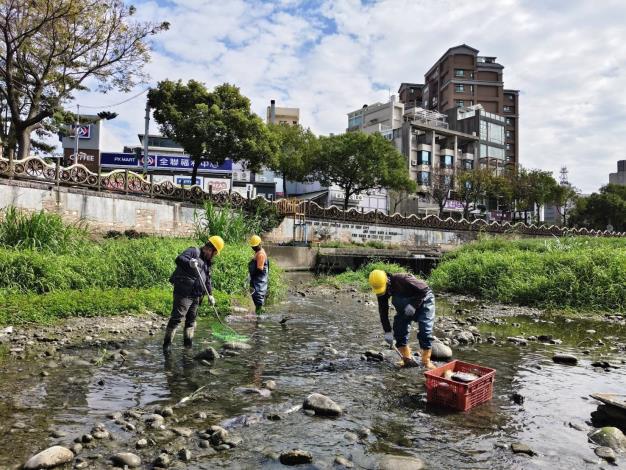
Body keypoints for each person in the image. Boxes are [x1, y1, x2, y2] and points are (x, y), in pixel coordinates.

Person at [163, 235, 225, 352]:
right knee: (177, 318)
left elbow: (207, 280)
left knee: (191, 321)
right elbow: (179, 259)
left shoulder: (207, 262)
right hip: (184, 292)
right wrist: (189, 262)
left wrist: (210, 295)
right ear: (210, 249)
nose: (214, 256)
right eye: (215, 253)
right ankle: (167, 347)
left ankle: (188, 346)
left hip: (197, 295)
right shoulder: (193, 251)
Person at [368, 269, 436, 369]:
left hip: (424, 300)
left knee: (425, 331)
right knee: (399, 330)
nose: (382, 292)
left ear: (387, 281)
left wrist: (413, 305)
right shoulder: (381, 291)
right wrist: (387, 331)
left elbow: (424, 289)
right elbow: (383, 311)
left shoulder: (403, 279)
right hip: (405, 307)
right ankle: (406, 359)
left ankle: (426, 361)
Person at [248, 235, 269, 315]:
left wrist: (252, 275)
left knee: (258, 297)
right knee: (256, 297)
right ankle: (258, 315)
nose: (253, 248)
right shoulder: (258, 252)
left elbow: (259, 269)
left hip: (259, 281)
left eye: (254, 246)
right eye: (252, 246)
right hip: (256, 280)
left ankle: (260, 316)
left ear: (259, 244)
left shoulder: (261, 254)